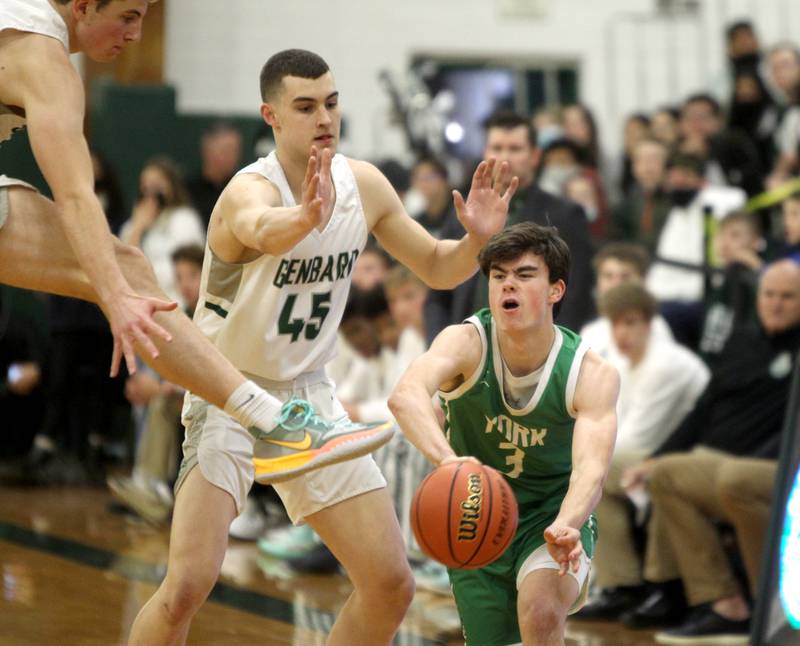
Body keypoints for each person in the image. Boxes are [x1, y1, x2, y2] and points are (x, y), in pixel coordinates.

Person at [128, 48, 518, 645]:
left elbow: (438, 268)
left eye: (331, 103)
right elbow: (260, 228)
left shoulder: (362, 183)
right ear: (272, 116)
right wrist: (305, 219)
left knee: (391, 585)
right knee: (186, 587)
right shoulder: (246, 192)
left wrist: (477, 241)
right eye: (305, 106)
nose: (324, 118)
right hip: (228, 390)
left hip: (309, 398)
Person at [0, 1, 384, 484]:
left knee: (125, 267)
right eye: (128, 16)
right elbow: (76, 196)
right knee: (122, 273)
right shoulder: (44, 60)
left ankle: (269, 421)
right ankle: (274, 423)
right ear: (81, 8)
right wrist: (114, 297)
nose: (136, 34)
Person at [390, 222, 619, 646]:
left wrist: (568, 524)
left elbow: (592, 467)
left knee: (541, 612)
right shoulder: (465, 343)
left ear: (556, 290)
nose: (507, 284)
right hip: (476, 512)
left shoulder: (589, 373)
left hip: (550, 515)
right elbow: (405, 396)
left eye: (524, 274)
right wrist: (447, 461)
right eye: (499, 276)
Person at [619, 260, 800, 640]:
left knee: (731, 477)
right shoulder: (742, 340)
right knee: (663, 471)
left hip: (770, 467)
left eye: (788, 297)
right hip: (717, 460)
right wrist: (655, 457)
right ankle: (721, 602)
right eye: (770, 294)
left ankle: (769, 604)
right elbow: (700, 409)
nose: (777, 303)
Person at [576, 283, 709, 621]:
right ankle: (621, 585)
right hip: (650, 453)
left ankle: (651, 586)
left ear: (650, 324)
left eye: (631, 322)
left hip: (688, 455)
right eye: (615, 323)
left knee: (593, 466)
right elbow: (610, 425)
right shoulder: (621, 361)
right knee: (591, 469)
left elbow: (633, 437)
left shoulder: (666, 365)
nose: (622, 332)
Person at [425, 111, 594, 343]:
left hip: (536, 353)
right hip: (466, 348)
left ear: (535, 156)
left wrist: (555, 357)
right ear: (485, 153)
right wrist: (439, 346)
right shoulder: (462, 214)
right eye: (497, 148)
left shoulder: (565, 216)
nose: (504, 157)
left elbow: (574, 296)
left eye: (515, 149)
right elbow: (438, 293)